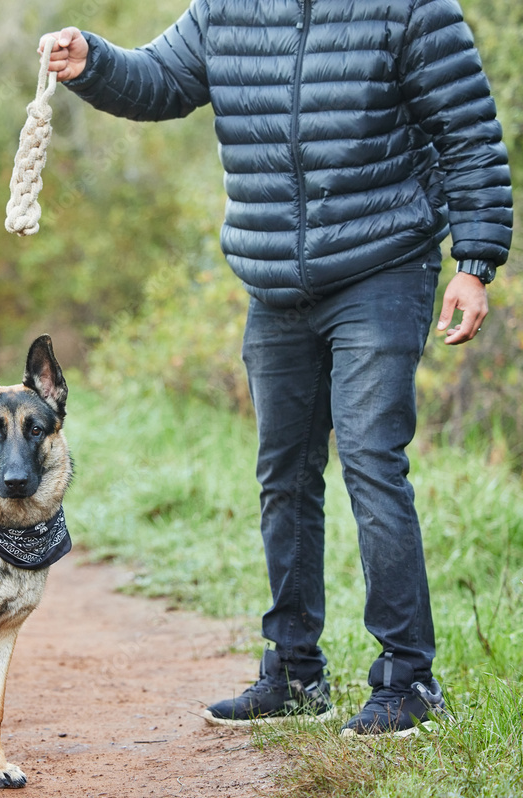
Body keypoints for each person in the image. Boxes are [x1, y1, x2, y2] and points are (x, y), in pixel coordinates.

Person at [42, 0, 512, 737]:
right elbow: (162, 79)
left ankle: (408, 679)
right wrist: (93, 63)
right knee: (283, 474)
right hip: (274, 282)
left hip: (384, 263)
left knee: (369, 459)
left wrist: (475, 261)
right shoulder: (225, 9)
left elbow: (470, 133)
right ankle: (294, 673)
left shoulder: (414, 8)